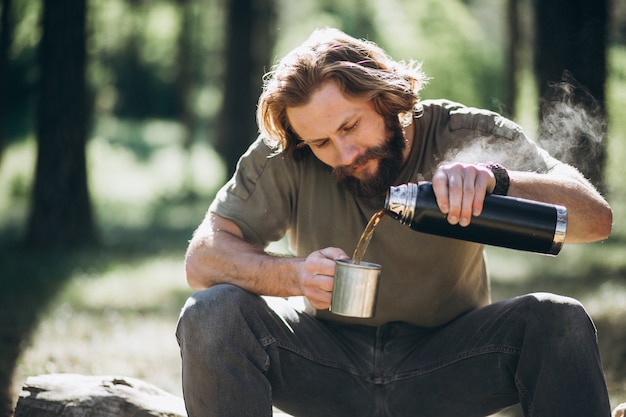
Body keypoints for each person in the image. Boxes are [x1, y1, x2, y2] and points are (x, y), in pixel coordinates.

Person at [176, 28, 613, 417]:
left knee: (558, 318)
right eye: (322, 142)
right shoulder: (289, 154)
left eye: (351, 126)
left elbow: (595, 222)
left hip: (451, 364)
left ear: (384, 94)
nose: (344, 154)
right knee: (212, 313)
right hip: (325, 367)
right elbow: (203, 261)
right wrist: (293, 273)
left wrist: (498, 180)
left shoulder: (465, 133)